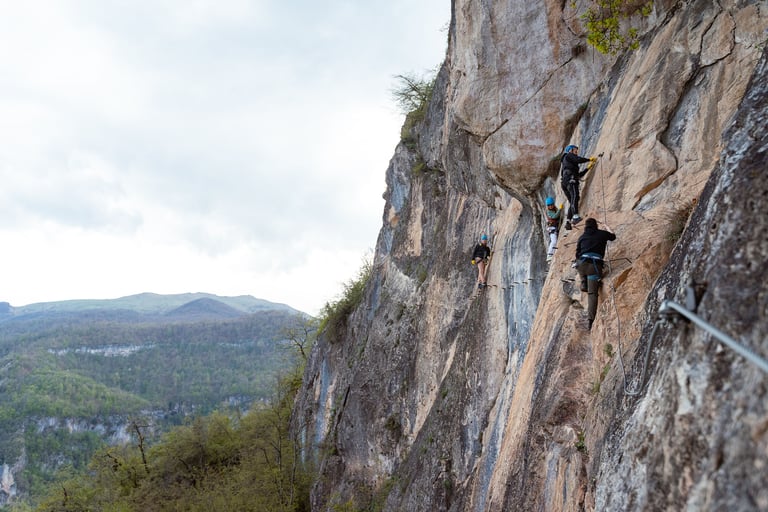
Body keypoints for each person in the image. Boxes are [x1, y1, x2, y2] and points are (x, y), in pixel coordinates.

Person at [575, 218, 616, 330]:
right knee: (592, 294)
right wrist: (606, 227)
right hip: (594, 267)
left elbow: (577, 254)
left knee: (578, 262)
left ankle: (583, 281)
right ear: (595, 225)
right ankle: (590, 320)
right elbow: (613, 237)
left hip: (582, 265)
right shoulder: (602, 234)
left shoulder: (582, 237)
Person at [560, 145, 597, 229]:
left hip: (565, 181)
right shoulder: (568, 155)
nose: (576, 152)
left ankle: (568, 221)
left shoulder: (567, 163)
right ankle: (575, 217)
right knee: (575, 196)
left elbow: (579, 175)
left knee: (572, 201)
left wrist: (588, 168)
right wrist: (589, 159)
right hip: (570, 180)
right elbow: (578, 159)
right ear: (570, 150)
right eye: (575, 150)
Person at [544, 197, 562, 262]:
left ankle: (552, 254)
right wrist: (560, 210)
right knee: (554, 241)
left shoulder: (554, 209)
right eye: (549, 205)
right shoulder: (549, 212)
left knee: (555, 241)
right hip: (552, 228)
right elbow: (554, 216)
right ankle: (549, 254)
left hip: (554, 227)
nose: (550, 206)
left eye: (551, 204)